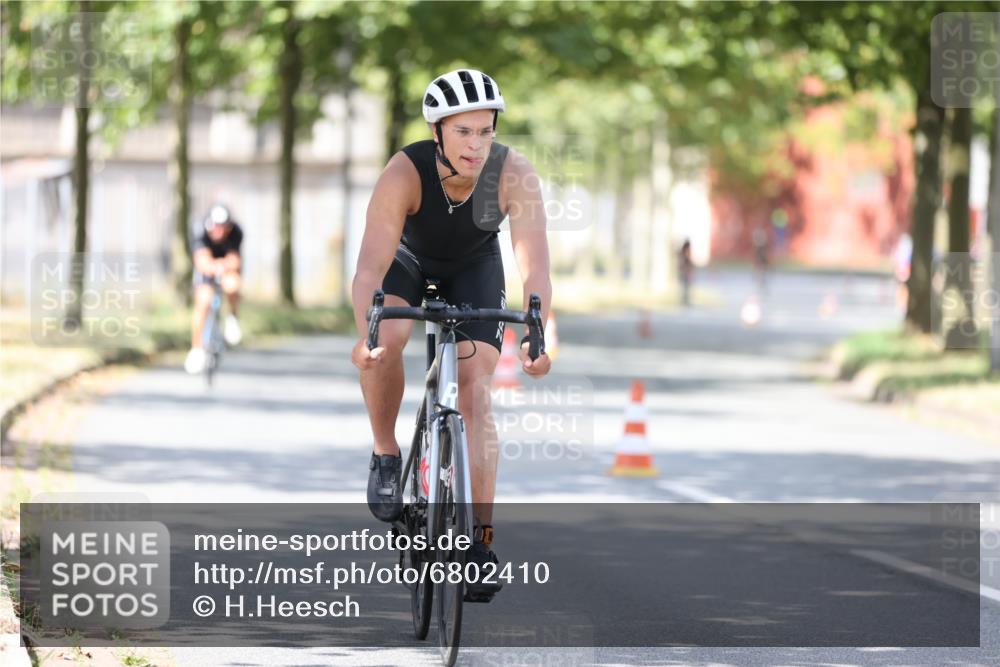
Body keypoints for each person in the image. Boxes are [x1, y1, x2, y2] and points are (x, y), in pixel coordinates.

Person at [351, 68, 552, 601]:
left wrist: (537, 338)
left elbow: (536, 271)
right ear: (437, 132)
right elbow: (370, 268)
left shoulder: (513, 174)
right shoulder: (404, 172)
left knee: (474, 389)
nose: (477, 144)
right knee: (383, 347)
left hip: (474, 266)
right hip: (407, 263)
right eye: (463, 131)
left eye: (485, 131)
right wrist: (365, 335)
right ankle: (386, 453)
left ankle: (479, 544)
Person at [184, 204, 244, 374]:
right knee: (203, 302)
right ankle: (196, 349)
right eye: (215, 227)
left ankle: (233, 318)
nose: (219, 231)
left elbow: (235, 259)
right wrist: (213, 267)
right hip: (207, 266)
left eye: (223, 227)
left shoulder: (236, 232)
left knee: (232, 285)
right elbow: (201, 261)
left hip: (226, 266)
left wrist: (224, 266)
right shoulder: (199, 230)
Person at [678, 238, 694, 306]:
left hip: (685, 272)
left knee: (686, 287)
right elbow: (685, 263)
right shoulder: (684, 254)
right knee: (686, 287)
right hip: (685, 272)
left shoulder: (682, 253)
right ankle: (685, 301)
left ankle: (685, 300)